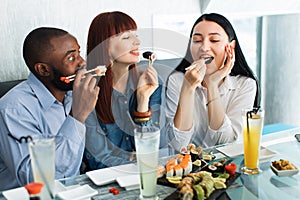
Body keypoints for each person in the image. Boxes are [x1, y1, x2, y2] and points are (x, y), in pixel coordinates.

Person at [0, 27, 99, 190]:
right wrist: (77, 117)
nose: (82, 63)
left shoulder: (72, 95)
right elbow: (39, 180)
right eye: (71, 57)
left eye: (79, 53)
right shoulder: (13, 109)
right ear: (43, 69)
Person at [82, 11, 165, 171]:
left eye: (136, 35)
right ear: (103, 46)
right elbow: (98, 160)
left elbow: (153, 150)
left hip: (146, 174)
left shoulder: (151, 83)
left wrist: (142, 102)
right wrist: (137, 162)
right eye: (126, 37)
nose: (137, 42)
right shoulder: (87, 90)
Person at [166, 13, 260, 152]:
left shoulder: (245, 85)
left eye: (214, 40)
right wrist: (187, 87)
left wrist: (212, 85)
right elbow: (178, 145)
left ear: (231, 47)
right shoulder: (177, 80)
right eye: (197, 40)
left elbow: (227, 144)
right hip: (188, 169)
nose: (204, 47)